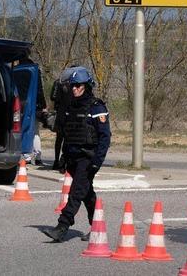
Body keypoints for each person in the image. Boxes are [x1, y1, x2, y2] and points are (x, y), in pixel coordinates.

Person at [42, 67, 111, 243]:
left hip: (88, 158)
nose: (74, 89)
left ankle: (62, 226)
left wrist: (97, 161)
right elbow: (66, 133)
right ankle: (97, 226)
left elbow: (104, 137)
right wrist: (64, 156)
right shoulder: (70, 107)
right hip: (73, 157)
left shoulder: (97, 107)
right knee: (86, 193)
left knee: (76, 192)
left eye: (78, 85)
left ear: (86, 86)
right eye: (72, 85)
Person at [49, 66, 76, 170]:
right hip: (71, 114)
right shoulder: (76, 85)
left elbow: (53, 97)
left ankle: (57, 161)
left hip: (61, 112)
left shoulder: (58, 82)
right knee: (69, 139)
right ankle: (64, 161)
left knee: (59, 139)